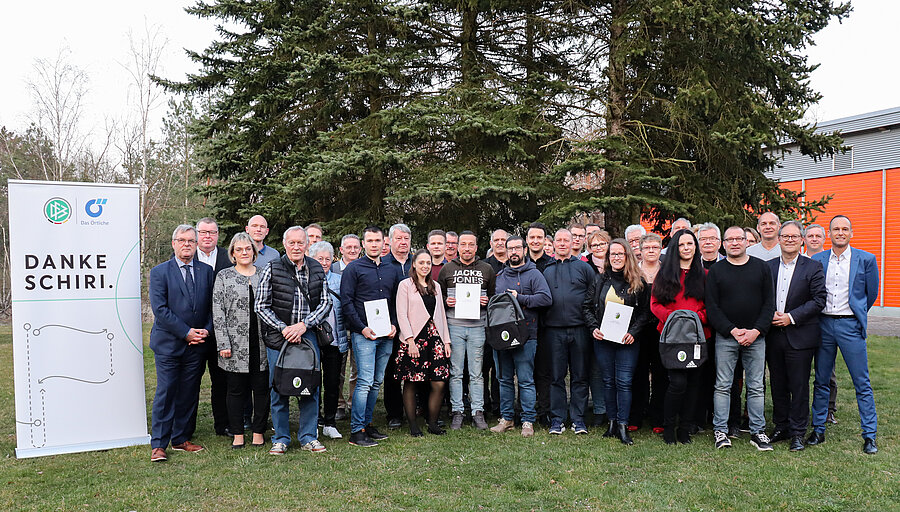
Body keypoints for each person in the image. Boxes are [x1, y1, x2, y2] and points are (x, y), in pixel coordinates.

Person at [256, 226, 333, 455]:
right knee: (278, 386)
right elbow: (260, 305)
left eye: (301, 243)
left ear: (307, 244)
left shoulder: (316, 268)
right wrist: (284, 328)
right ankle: (280, 438)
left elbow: (326, 302)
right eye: (292, 243)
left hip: (307, 335)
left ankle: (308, 436)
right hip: (279, 338)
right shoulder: (272, 267)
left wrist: (304, 325)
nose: (297, 247)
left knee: (310, 386)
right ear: (284, 244)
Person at [808, 215, 880, 454]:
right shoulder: (817, 259)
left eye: (845, 229)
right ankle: (818, 429)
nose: (840, 232)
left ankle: (869, 435)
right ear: (829, 234)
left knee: (862, 382)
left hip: (850, 326)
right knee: (821, 379)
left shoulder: (866, 259)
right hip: (823, 325)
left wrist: (856, 312)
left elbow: (870, 294)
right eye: (836, 229)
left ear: (851, 233)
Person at [148, 225, 215, 462]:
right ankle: (159, 444)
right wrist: (185, 332)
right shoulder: (159, 272)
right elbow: (161, 310)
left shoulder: (206, 271)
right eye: (182, 240)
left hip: (197, 345)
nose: (186, 244)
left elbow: (210, 307)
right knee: (166, 393)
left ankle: (181, 438)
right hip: (169, 344)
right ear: (174, 243)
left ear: (197, 245)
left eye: (191, 241)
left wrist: (205, 331)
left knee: (189, 393)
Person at [706, 226, 775, 451]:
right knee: (723, 385)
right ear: (723, 244)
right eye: (730, 239)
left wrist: (756, 331)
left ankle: (758, 431)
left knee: (756, 386)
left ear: (747, 242)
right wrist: (732, 330)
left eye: (739, 239)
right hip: (726, 337)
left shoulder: (761, 268)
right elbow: (712, 307)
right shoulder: (716, 271)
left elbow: (769, 304)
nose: (735, 243)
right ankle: (721, 431)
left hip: (756, 337)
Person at [764, 221, 826, 452]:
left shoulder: (813, 267)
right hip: (774, 335)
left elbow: (819, 300)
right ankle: (781, 426)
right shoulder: (767, 267)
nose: (789, 240)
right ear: (778, 239)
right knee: (778, 384)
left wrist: (791, 317)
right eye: (785, 236)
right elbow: (761, 297)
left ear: (802, 240)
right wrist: (770, 315)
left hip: (800, 335)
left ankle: (798, 432)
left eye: (794, 236)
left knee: (799, 385)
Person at [583, 239, 650, 445]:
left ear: (627, 256)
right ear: (608, 257)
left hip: (627, 341)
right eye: (612, 254)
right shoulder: (599, 280)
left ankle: (623, 424)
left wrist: (633, 333)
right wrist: (594, 328)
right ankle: (611, 423)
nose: (616, 257)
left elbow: (645, 313)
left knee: (624, 382)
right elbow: (586, 306)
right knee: (608, 382)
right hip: (603, 339)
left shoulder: (638, 281)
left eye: (620, 254)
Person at [341, 225, 402, 447]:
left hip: (386, 333)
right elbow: (346, 302)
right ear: (363, 244)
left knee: (376, 382)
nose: (374, 244)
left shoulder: (390, 270)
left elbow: (395, 300)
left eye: (378, 241)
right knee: (365, 381)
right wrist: (361, 328)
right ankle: (356, 431)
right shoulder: (354, 269)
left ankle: (367, 424)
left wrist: (395, 324)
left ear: (383, 243)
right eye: (370, 241)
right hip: (364, 334)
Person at [651, 229, 710, 445]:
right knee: (677, 384)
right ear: (675, 248)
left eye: (690, 244)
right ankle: (669, 427)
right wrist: (675, 318)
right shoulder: (664, 275)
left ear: (695, 247)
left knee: (694, 383)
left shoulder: (704, 275)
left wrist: (695, 319)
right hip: (671, 338)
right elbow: (655, 304)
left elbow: (709, 306)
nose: (686, 248)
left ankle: (685, 428)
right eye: (682, 244)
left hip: (697, 337)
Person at [490, 235, 552, 437]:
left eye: (517, 248)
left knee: (525, 380)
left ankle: (527, 420)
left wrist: (520, 298)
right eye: (510, 249)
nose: (514, 252)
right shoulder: (499, 276)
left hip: (527, 336)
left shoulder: (534, 274)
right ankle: (507, 418)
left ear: (524, 250)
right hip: (502, 336)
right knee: (504, 379)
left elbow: (545, 298)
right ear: (506, 252)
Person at [212, 233, 268, 449]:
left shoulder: (264, 275)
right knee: (235, 390)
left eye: (248, 249)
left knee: (261, 389)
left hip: (262, 344)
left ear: (254, 252)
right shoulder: (224, 276)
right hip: (234, 345)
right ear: (233, 254)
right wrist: (223, 344)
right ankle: (237, 433)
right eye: (239, 249)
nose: (244, 253)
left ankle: (258, 432)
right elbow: (218, 312)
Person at [437, 231, 496, 430]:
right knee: (455, 372)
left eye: (471, 244)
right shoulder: (447, 269)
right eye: (464, 245)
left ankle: (478, 411)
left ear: (476, 247)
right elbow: (439, 299)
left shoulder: (487, 269)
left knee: (477, 372)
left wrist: (487, 302)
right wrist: (446, 301)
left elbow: (494, 298)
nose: (467, 248)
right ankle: (457, 411)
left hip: (478, 327)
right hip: (454, 326)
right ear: (457, 247)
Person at [542, 229, 595, 435]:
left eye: (567, 240)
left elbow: (593, 296)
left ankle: (578, 419)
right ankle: (557, 419)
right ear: (553, 244)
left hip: (580, 329)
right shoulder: (546, 270)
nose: (562, 244)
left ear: (574, 243)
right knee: (556, 377)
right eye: (559, 240)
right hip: (554, 331)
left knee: (580, 376)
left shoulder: (584, 268)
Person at [395, 249, 453, 437]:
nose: (425, 266)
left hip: (434, 338)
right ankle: (413, 425)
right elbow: (401, 314)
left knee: (438, 382)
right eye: (421, 263)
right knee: (412, 382)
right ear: (414, 264)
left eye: (428, 263)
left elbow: (441, 315)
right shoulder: (405, 285)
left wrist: (446, 341)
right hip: (414, 339)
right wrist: (410, 341)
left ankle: (433, 423)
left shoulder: (435, 285)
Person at [193, 217, 232, 437]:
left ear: (218, 235)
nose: (208, 236)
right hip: (195, 332)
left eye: (212, 232)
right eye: (204, 232)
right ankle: (187, 426)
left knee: (222, 382)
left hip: (222, 332)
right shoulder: (184, 256)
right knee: (191, 382)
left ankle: (223, 425)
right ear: (197, 234)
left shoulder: (228, 257)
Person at [309, 241, 349, 440]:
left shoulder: (340, 281)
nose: (324, 262)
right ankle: (314, 420)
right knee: (313, 382)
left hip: (334, 340)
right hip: (312, 341)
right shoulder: (306, 279)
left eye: (327, 259)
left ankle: (330, 421)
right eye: (319, 259)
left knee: (333, 383)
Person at [630, 233, 666, 432]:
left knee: (661, 373)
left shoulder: (667, 271)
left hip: (662, 329)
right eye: (647, 248)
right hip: (638, 330)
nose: (651, 251)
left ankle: (658, 417)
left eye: (654, 247)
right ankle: (636, 415)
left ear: (660, 249)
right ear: (640, 251)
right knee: (639, 372)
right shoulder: (633, 272)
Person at [803, 223, 838, 424]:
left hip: (826, 320)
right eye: (810, 235)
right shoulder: (799, 261)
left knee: (827, 369)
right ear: (804, 239)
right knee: (802, 369)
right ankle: (802, 408)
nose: (814, 239)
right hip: (804, 322)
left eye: (818, 235)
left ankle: (828, 409)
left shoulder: (831, 260)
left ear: (824, 238)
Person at [382, 223, 413, 429]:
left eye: (406, 239)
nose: (403, 242)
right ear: (391, 241)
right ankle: (394, 413)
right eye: (399, 238)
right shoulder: (383, 263)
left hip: (415, 325)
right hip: (391, 325)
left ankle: (419, 408)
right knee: (392, 371)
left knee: (417, 368)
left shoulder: (417, 262)